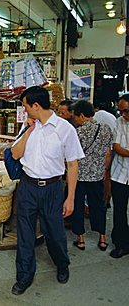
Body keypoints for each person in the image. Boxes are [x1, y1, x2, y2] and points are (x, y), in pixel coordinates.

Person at [10, 86, 84, 295]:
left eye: (26, 107)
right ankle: (24, 276)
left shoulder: (64, 129)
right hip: (28, 187)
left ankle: (62, 264)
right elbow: (15, 154)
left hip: (52, 188)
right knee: (25, 234)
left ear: (35, 106)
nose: (24, 111)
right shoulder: (28, 127)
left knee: (55, 233)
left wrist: (70, 198)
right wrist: (28, 131)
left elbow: (72, 165)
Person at [71, 100, 112, 251]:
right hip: (97, 175)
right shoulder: (105, 129)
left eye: (75, 116)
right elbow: (108, 152)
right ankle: (102, 238)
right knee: (98, 206)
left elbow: (72, 156)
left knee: (78, 206)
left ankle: (80, 238)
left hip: (79, 177)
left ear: (81, 115)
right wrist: (104, 169)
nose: (75, 119)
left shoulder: (78, 132)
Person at [109, 94, 129, 259]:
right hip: (119, 175)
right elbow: (116, 147)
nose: (123, 114)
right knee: (119, 211)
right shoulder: (118, 122)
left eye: (126, 111)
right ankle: (122, 244)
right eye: (121, 111)